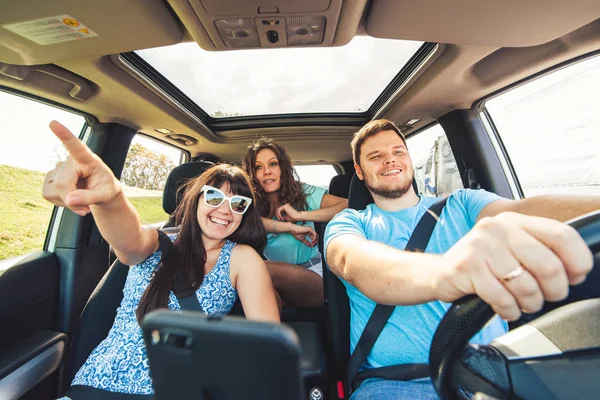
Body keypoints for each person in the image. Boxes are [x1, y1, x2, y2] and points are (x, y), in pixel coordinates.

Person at [324, 119, 598, 399]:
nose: (390, 160)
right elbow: (353, 261)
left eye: (398, 152)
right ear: (359, 171)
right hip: (399, 383)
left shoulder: (463, 203)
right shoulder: (349, 221)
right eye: (376, 156)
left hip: (494, 372)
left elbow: (521, 210)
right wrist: (445, 271)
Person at [43, 121, 279, 399]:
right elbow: (130, 241)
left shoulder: (241, 258)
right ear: (196, 200)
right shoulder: (158, 241)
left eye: (238, 203)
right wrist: (112, 199)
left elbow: (268, 346)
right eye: (214, 196)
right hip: (95, 386)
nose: (224, 210)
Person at [243, 138, 348, 310]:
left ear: (283, 168)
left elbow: (347, 205)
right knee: (258, 277)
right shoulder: (251, 204)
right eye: (258, 167)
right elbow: (245, 221)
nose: (267, 172)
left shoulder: (303, 193)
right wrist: (290, 227)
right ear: (252, 174)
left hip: (314, 275)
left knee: (255, 269)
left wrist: (300, 215)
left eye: (273, 164)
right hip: (275, 283)